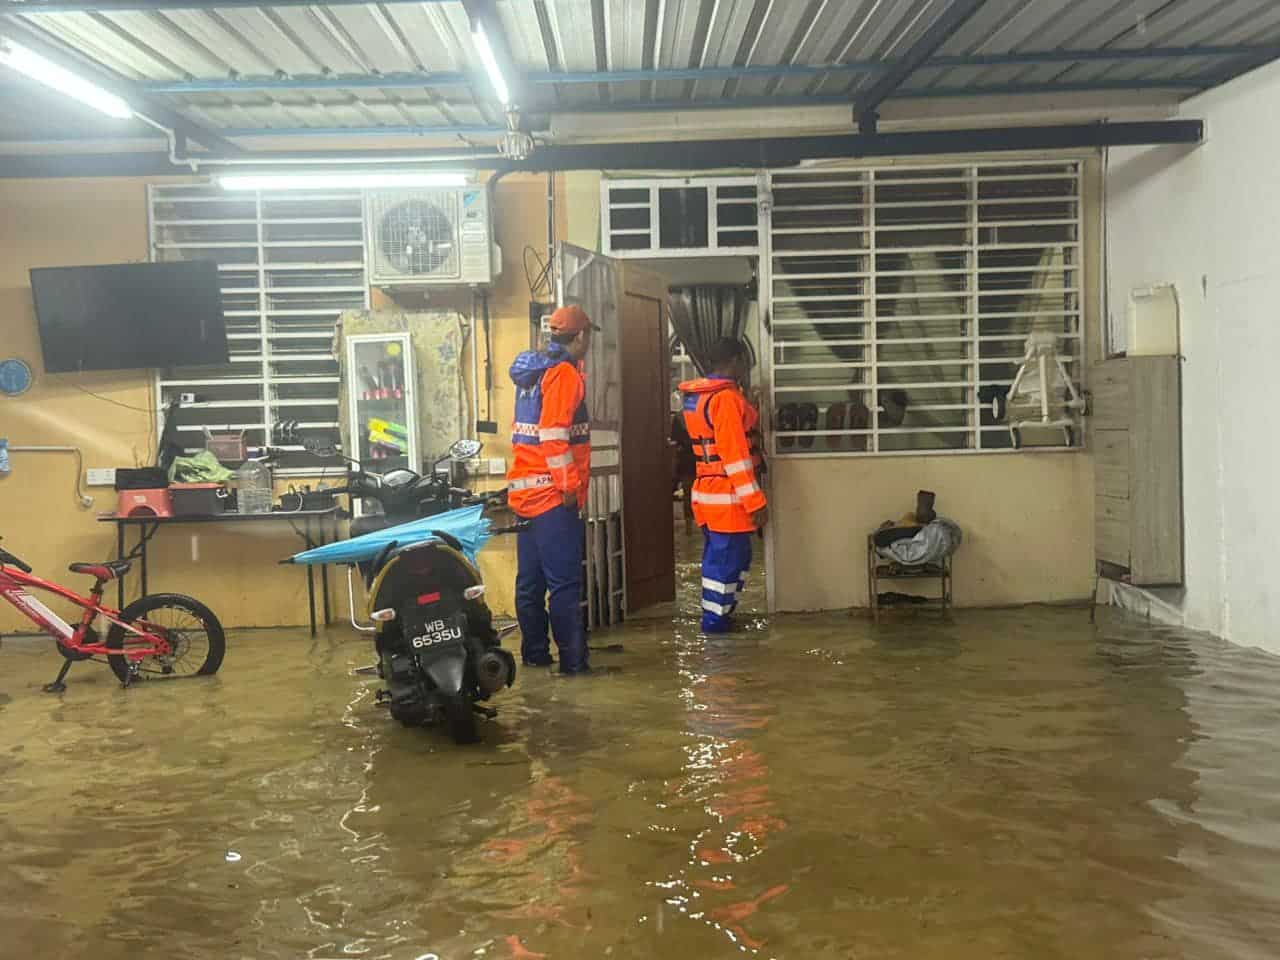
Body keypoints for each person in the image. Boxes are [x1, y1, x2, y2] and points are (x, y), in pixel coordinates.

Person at [507, 305, 596, 675]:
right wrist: (570, 488)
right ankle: (574, 665)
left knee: (530, 584)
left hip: (524, 495)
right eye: (588, 335)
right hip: (551, 498)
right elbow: (554, 436)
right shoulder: (563, 375)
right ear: (580, 337)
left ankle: (535, 656)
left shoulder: (533, 374)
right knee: (564, 586)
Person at [679, 338, 767, 633]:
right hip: (728, 497)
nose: (746, 367)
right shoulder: (725, 399)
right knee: (726, 562)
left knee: (727, 559)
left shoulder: (702, 396)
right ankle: (716, 626)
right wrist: (756, 503)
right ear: (733, 361)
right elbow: (736, 457)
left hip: (709, 493)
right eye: (743, 361)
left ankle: (719, 616)